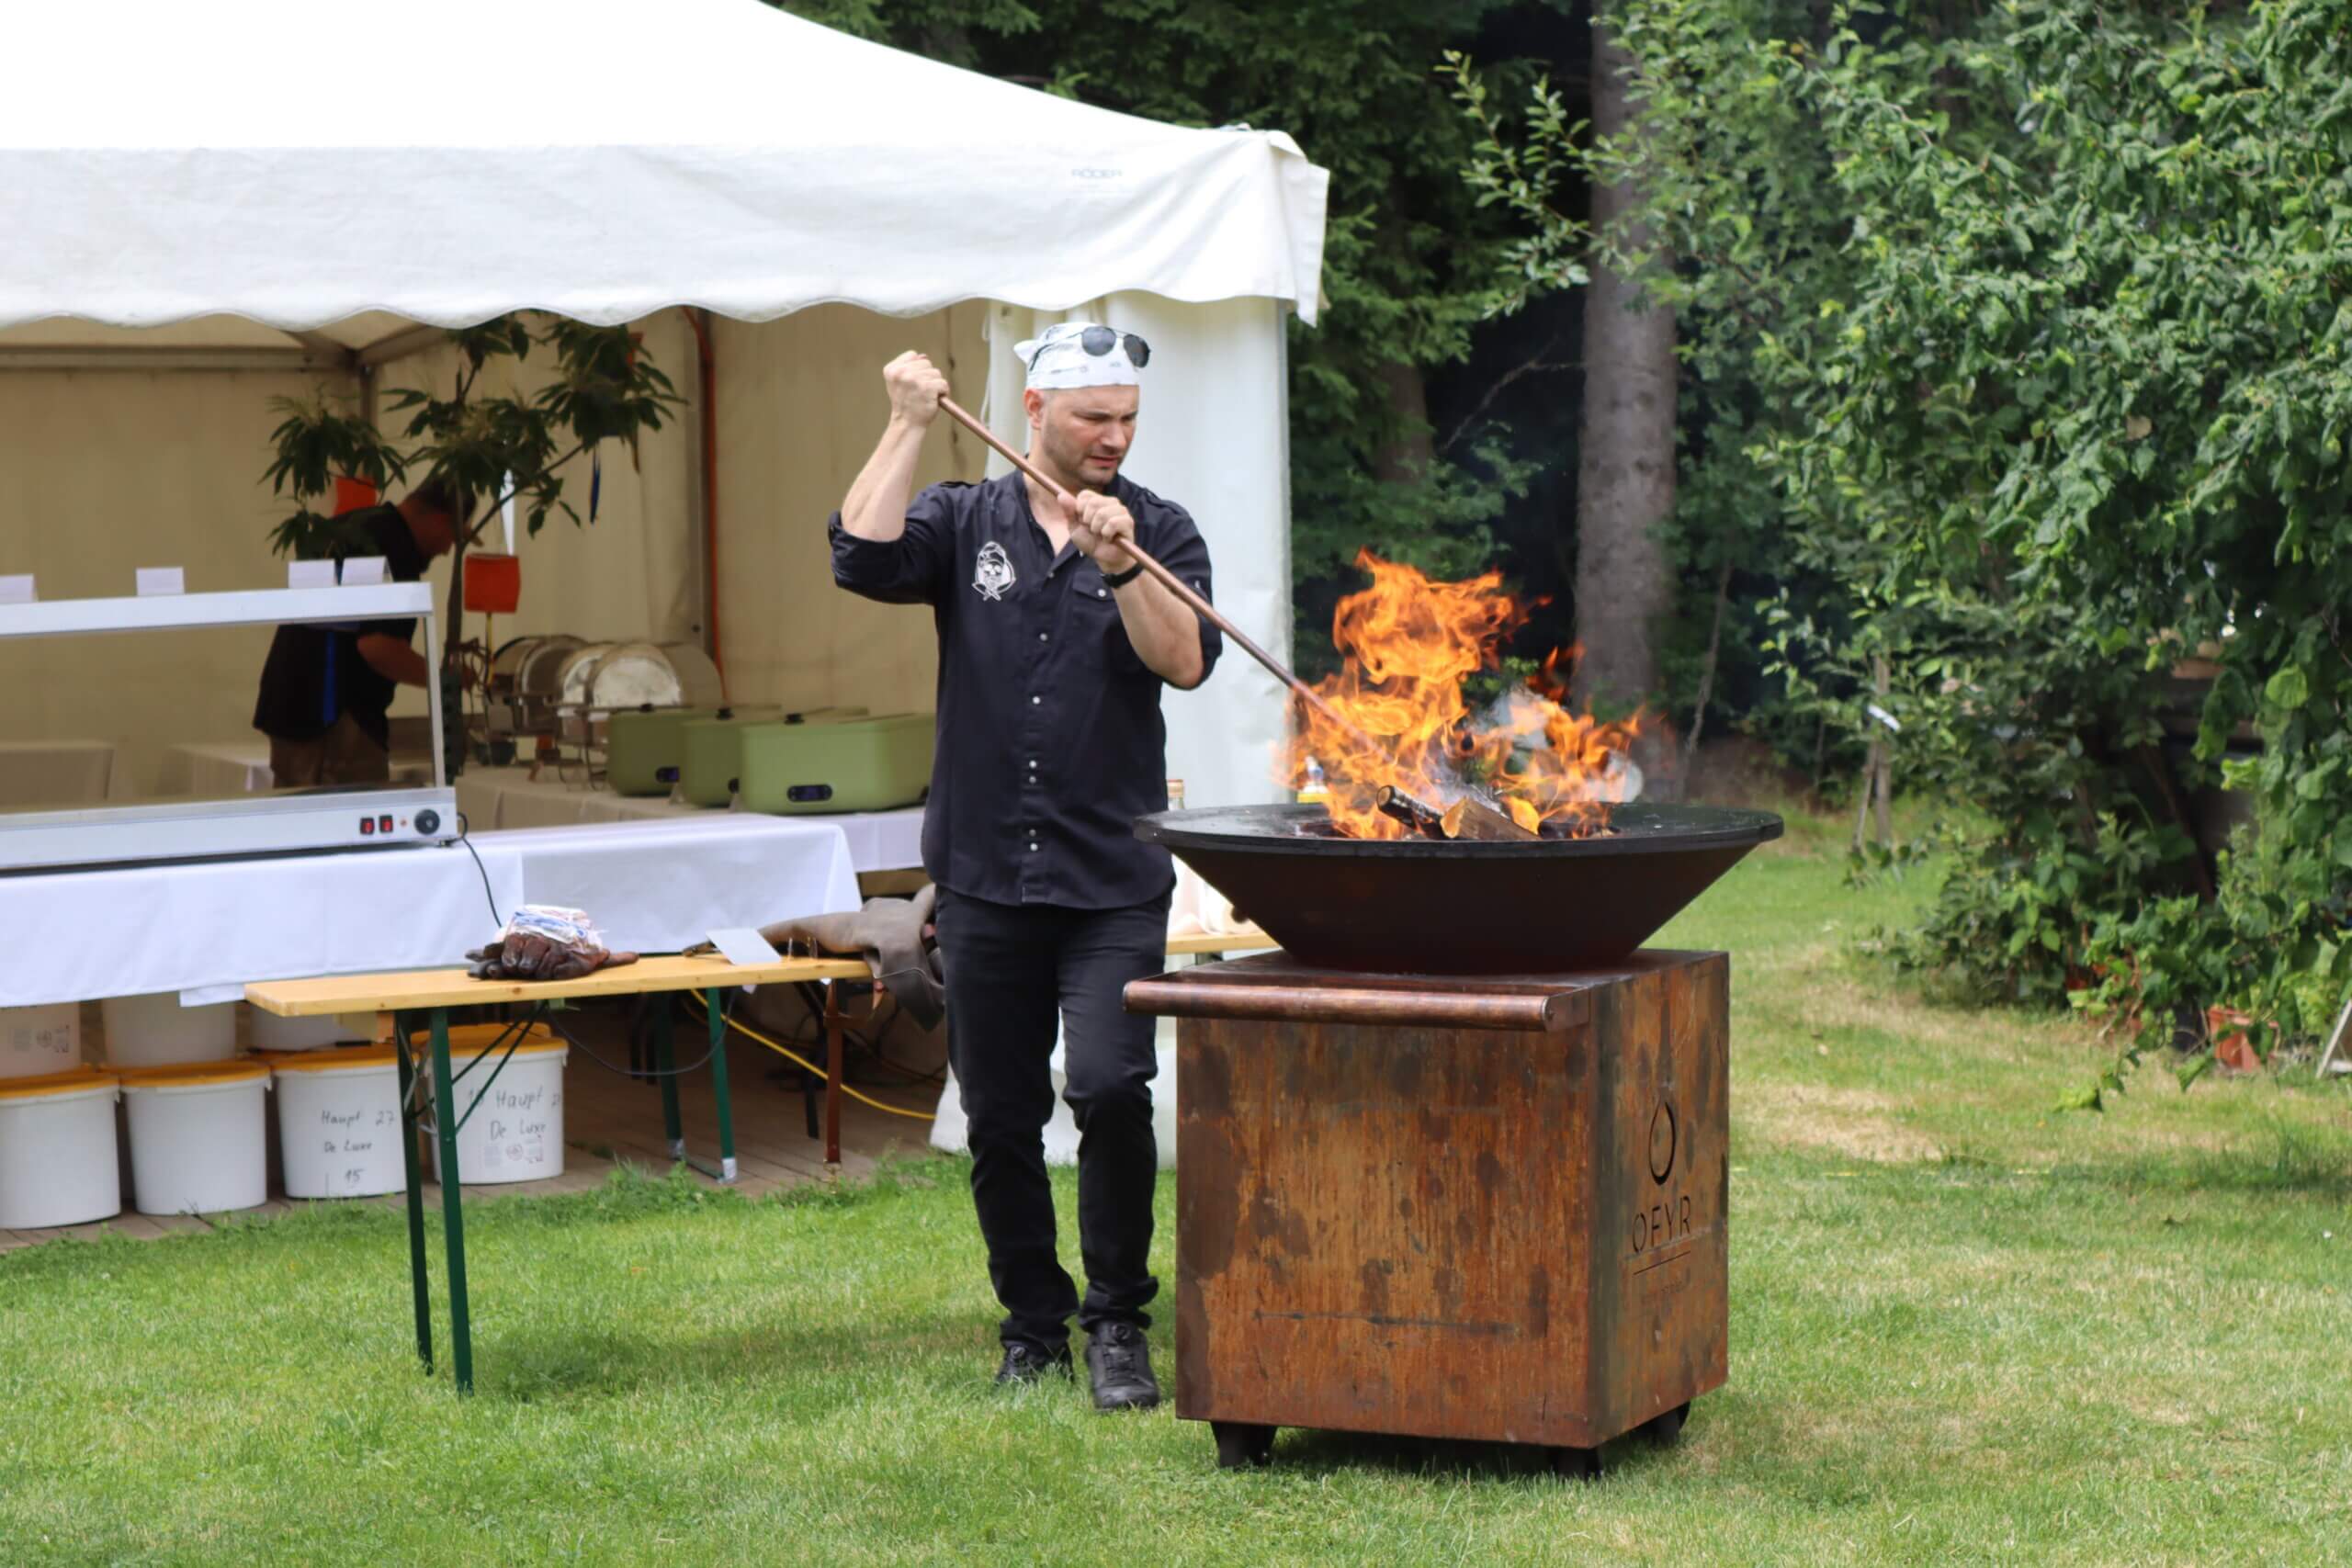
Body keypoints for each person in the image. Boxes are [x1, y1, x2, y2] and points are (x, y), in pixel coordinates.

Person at [830, 323, 1220, 1410]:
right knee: (1000, 1115)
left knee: (1107, 1089)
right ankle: (1031, 1325)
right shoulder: (964, 521)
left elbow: (1182, 662)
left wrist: (1119, 562)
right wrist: (906, 421)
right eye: (1094, 417)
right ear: (1036, 413)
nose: (1115, 437)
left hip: (1109, 881)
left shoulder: (1159, 529)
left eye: (1128, 418)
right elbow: (860, 554)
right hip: (986, 878)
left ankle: (1117, 1326)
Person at [252, 474, 465, 787]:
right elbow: (378, 648)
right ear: (439, 519)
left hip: (292, 703)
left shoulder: (358, 524)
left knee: (298, 824)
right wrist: (444, 680)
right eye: (453, 536)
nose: (447, 550)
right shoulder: (396, 546)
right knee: (345, 825)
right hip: (332, 720)